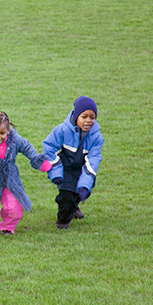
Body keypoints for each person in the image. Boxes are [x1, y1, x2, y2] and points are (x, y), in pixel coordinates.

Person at [0, 112, 52, 235]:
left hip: (10, 179)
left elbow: (28, 148)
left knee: (15, 207)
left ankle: (8, 227)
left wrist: (39, 161)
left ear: (8, 131)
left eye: (2, 133)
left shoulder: (15, 140)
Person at [42, 96, 104, 229]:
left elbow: (93, 160)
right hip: (65, 169)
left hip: (82, 169)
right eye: (84, 116)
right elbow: (49, 147)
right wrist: (56, 172)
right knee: (66, 197)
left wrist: (85, 182)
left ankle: (74, 207)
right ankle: (62, 221)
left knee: (81, 192)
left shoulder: (97, 137)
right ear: (76, 116)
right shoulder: (62, 130)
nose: (88, 121)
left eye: (92, 117)